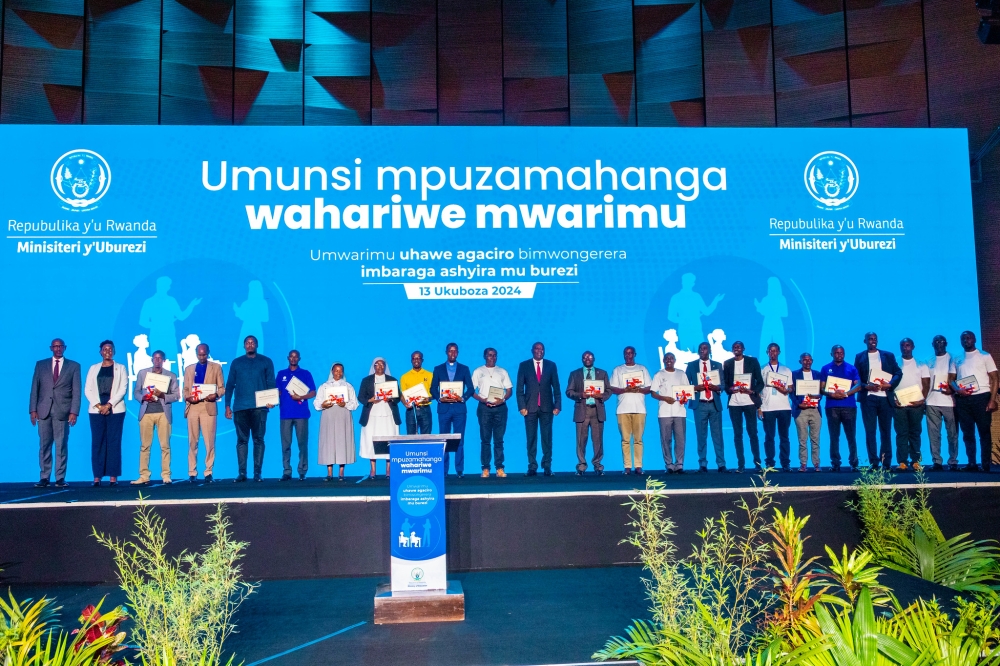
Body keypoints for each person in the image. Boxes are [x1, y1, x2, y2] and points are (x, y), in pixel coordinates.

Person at [29, 338, 81, 488]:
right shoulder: (41, 365)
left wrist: (74, 412)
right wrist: (33, 410)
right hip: (43, 410)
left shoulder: (74, 366)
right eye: (55, 346)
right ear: (51, 348)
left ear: (65, 348)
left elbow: (76, 392)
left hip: (63, 411)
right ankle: (44, 477)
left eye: (61, 346)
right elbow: (34, 389)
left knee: (61, 446)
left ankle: (60, 478)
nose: (58, 349)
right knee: (44, 445)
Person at [224, 335, 276, 482]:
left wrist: (272, 400)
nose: (250, 345)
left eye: (253, 342)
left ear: (257, 345)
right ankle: (242, 473)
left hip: (260, 407)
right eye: (247, 343)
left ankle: (257, 473)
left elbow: (271, 383)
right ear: (244, 345)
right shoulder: (236, 363)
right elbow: (229, 386)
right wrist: (227, 405)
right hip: (240, 407)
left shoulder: (266, 361)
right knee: (242, 440)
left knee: (259, 439)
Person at [854, 332, 902, 469]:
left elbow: (898, 373)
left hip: (885, 398)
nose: (872, 341)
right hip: (868, 398)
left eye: (875, 339)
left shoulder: (888, 355)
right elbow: (856, 379)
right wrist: (865, 386)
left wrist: (890, 384)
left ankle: (886, 463)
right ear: (865, 341)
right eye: (870, 339)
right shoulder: (859, 357)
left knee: (886, 431)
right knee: (870, 431)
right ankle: (874, 462)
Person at [953, 330, 999, 472]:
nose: (966, 340)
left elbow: (995, 378)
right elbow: (951, 380)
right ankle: (971, 463)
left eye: (968, 338)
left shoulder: (985, 356)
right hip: (963, 399)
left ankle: (985, 464)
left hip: (981, 397)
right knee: (967, 433)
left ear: (974, 339)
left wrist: (992, 400)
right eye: (963, 338)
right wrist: (957, 390)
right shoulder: (957, 358)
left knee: (984, 431)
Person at [132, 350, 180, 485]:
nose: (157, 360)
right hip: (146, 413)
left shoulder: (171, 375)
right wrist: (143, 397)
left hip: (163, 413)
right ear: (152, 359)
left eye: (160, 358)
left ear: (164, 360)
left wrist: (163, 395)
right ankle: (144, 475)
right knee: (144, 446)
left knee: (165, 446)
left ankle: (166, 475)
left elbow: (176, 395)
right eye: (155, 358)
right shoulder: (143, 373)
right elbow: (136, 391)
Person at [515, 342, 562, 476]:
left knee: (547, 438)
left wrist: (557, 405)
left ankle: (547, 466)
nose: (539, 351)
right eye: (537, 348)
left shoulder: (551, 365)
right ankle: (532, 466)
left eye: (542, 349)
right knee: (531, 438)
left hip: (547, 408)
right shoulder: (524, 365)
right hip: (529, 408)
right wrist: (522, 406)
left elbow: (556, 387)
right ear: (532, 350)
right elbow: (519, 389)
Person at [84, 340, 127, 487]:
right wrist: (99, 406)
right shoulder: (93, 368)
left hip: (115, 408)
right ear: (100, 352)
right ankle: (97, 476)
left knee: (114, 442)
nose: (107, 351)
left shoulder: (121, 368)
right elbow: (88, 389)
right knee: (98, 442)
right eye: (105, 349)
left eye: (110, 349)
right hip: (96, 409)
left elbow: (123, 389)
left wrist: (108, 405)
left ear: (114, 351)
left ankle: (113, 476)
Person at [430, 343, 475, 477]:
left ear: (458, 353)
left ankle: (459, 470)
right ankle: (444, 470)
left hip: (459, 409)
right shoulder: (438, 369)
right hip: (444, 409)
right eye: (450, 351)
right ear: (446, 352)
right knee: (444, 440)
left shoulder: (464, 369)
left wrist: (464, 398)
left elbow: (471, 388)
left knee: (460, 440)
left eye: (455, 351)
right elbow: (433, 389)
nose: (453, 353)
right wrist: (439, 398)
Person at [183, 343, 224, 483]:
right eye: (199, 354)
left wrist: (216, 395)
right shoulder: (188, 369)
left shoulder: (216, 367)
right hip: (193, 407)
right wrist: (188, 397)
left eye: (204, 354)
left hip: (209, 407)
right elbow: (185, 390)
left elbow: (222, 388)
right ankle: (192, 472)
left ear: (208, 353)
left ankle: (208, 472)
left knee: (209, 441)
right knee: (192, 441)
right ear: (196, 354)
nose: (202, 357)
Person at [565, 351, 612, 475]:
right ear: (582, 359)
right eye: (585, 357)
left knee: (598, 440)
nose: (587, 358)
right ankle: (581, 466)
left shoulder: (602, 373)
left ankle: (598, 466)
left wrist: (601, 395)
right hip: (582, 409)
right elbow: (569, 391)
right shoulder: (575, 374)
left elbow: (609, 391)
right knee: (581, 440)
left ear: (594, 358)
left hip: (597, 410)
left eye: (590, 357)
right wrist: (580, 394)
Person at [722, 340, 764, 473]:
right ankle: (741, 464)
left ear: (743, 348)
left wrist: (752, 391)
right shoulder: (728, 363)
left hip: (750, 402)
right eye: (734, 347)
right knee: (737, 434)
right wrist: (730, 389)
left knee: (753, 433)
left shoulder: (753, 361)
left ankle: (757, 463)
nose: (736, 348)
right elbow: (726, 384)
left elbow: (760, 382)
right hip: (734, 403)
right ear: (732, 349)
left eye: (739, 346)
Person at [609, 346, 652, 475]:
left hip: (639, 409)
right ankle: (627, 466)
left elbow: (649, 388)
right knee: (625, 439)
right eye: (626, 353)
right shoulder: (618, 369)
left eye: (630, 353)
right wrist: (625, 390)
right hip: (623, 409)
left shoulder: (642, 369)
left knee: (638, 439)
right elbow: (613, 388)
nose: (628, 355)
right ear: (623, 355)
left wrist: (638, 389)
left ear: (635, 354)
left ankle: (638, 466)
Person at [472, 347, 513, 478]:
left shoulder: (502, 371)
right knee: (485, 440)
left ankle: (499, 468)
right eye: (490, 355)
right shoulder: (478, 371)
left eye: (495, 355)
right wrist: (481, 399)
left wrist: (503, 399)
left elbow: (509, 390)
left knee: (499, 440)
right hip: (484, 409)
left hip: (500, 409)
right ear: (485, 356)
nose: (492, 357)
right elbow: (471, 391)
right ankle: (485, 468)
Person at [685, 342, 726, 472]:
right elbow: (685, 385)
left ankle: (721, 464)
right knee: (701, 436)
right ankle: (702, 464)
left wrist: (717, 387)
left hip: (714, 404)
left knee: (718, 435)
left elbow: (723, 385)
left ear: (709, 350)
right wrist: (695, 388)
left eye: (705, 348)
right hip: (700, 404)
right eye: (700, 349)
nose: (703, 351)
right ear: (698, 351)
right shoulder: (691, 366)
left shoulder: (717, 365)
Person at [820, 345, 862, 472]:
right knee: (834, 436)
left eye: (841, 352)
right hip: (832, 407)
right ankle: (835, 463)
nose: (839, 354)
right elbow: (821, 388)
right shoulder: (825, 368)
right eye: (836, 353)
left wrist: (846, 394)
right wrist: (831, 394)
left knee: (851, 436)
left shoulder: (851, 368)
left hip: (849, 406)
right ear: (831, 354)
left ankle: (854, 463)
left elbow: (859, 385)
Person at [276, 350, 316, 481]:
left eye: (296, 357)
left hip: (301, 414)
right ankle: (287, 471)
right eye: (291, 357)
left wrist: (301, 396)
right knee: (285, 444)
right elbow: (277, 392)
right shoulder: (281, 374)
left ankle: (302, 471)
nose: (293, 359)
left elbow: (313, 393)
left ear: (299, 358)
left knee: (302, 443)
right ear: (288, 358)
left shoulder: (305, 374)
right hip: (285, 414)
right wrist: (270, 400)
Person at [314, 363, 358, 481]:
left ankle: (341, 472)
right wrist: (323, 404)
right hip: (328, 415)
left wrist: (346, 404)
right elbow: (316, 403)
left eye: (340, 371)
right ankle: (329, 473)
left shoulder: (348, 386)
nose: (338, 373)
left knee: (341, 441)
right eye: (336, 370)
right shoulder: (324, 386)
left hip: (343, 415)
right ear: (332, 371)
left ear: (343, 372)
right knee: (329, 442)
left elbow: (355, 404)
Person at [358, 357, 401, 479]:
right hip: (372, 414)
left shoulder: (392, 380)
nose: (380, 366)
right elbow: (361, 397)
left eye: (382, 364)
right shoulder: (366, 380)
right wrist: (370, 400)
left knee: (389, 440)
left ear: (385, 366)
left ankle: (388, 469)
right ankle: (373, 470)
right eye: (377, 364)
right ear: (373, 366)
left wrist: (391, 398)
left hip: (388, 414)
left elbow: (398, 398)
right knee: (372, 440)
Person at [893, 338, 930, 471]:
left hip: (916, 404)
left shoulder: (921, 363)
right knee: (901, 433)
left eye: (908, 345)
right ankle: (902, 462)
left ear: (913, 347)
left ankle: (915, 461)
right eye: (902, 345)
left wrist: (922, 399)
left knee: (915, 433)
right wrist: (893, 399)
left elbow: (926, 384)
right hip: (899, 405)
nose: (905, 347)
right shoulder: (894, 362)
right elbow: (890, 384)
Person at [650, 352, 689, 473]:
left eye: (671, 358)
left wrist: (685, 398)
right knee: (666, 439)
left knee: (680, 439)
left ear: (675, 360)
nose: (669, 360)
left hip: (679, 411)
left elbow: (687, 391)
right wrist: (664, 398)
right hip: (664, 412)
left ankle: (680, 464)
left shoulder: (681, 374)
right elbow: (653, 392)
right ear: (663, 360)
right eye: (666, 358)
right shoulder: (659, 374)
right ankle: (669, 464)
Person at [925, 335, 959, 471]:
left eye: (941, 341)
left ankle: (953, 461)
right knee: (934, 434)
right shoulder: (928, 361)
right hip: (931, 401)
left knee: (952, 433)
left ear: (946, 343)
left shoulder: (954, 359)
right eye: (936, 342)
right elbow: (925, 383)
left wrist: (952, 390)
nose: (939, 344)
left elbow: (959, 379)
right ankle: (937, 461)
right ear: (932, 344)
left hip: (950, 402)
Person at [760, 343, 793, 471]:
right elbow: (758, 390)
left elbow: (791, 387)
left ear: (779, 352)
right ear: (767, 352)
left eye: (775, 351)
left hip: (784, 407)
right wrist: (759, 408)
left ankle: (785, 463)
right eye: (770, 351)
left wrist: (785, 389)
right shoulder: (762, 369)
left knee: (784, 436)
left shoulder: (786, 370)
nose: (773, 353)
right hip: (767, 408)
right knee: (769, 437)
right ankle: (770, 463)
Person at [791, 352, 823, 472]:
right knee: (802, 439)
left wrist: (817, 398)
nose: (807, 362)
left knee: (815, 438)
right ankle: (803, 463)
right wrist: (798, 404)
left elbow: (821, 391)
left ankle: (816, 463)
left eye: (809, 360)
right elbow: (791, 393)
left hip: (815, 410)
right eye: (804, 360)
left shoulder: (818, 374)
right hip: (801, 410)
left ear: (812, 361)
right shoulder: (794, 374)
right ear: (800, 361)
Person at [400, 351, 434, 435]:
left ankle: (426, 448)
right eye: (414, 358)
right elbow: (402, 395)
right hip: (411, 410)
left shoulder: (430, 375)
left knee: (426, 436)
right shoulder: (404, 377)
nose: (416, 360)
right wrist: (405, 403)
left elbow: (434, 393)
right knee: (411, 437)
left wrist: (429, 398)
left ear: (422, 360)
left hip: (425, 409)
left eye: (418, 358)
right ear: (411, 360)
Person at [233, 280, 269, 357]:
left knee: (257, 350)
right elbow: (241, 316)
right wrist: (237, 310)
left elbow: (265, 318)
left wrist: (251, 315)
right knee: (242, 350)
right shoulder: (246, 303)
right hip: (246, 328)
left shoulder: (262, 303)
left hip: (256, 328)